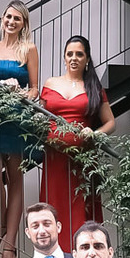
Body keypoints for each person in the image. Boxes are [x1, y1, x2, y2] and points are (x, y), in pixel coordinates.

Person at [0, 0, 39, 258]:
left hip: (17, 117)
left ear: (23, 23)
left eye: (17, 18)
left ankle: (10, 246)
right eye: (8, 17)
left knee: (15, 177)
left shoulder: (29, 49)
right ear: (2, 19)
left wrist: (20, 93)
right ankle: (3, 221)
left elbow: (35, 88)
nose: (12, 22)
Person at [39, 35, 114, 245]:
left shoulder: (94, 88)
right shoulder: (50, 83)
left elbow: (110, 123)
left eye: (79, 54)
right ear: (64, 58)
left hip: (83, 161)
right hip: (54, 158)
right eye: (69, 54)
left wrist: (95, 133)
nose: (74, 58)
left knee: (80, 212)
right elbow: (40, 118)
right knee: (54, 209)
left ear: (87, 59)